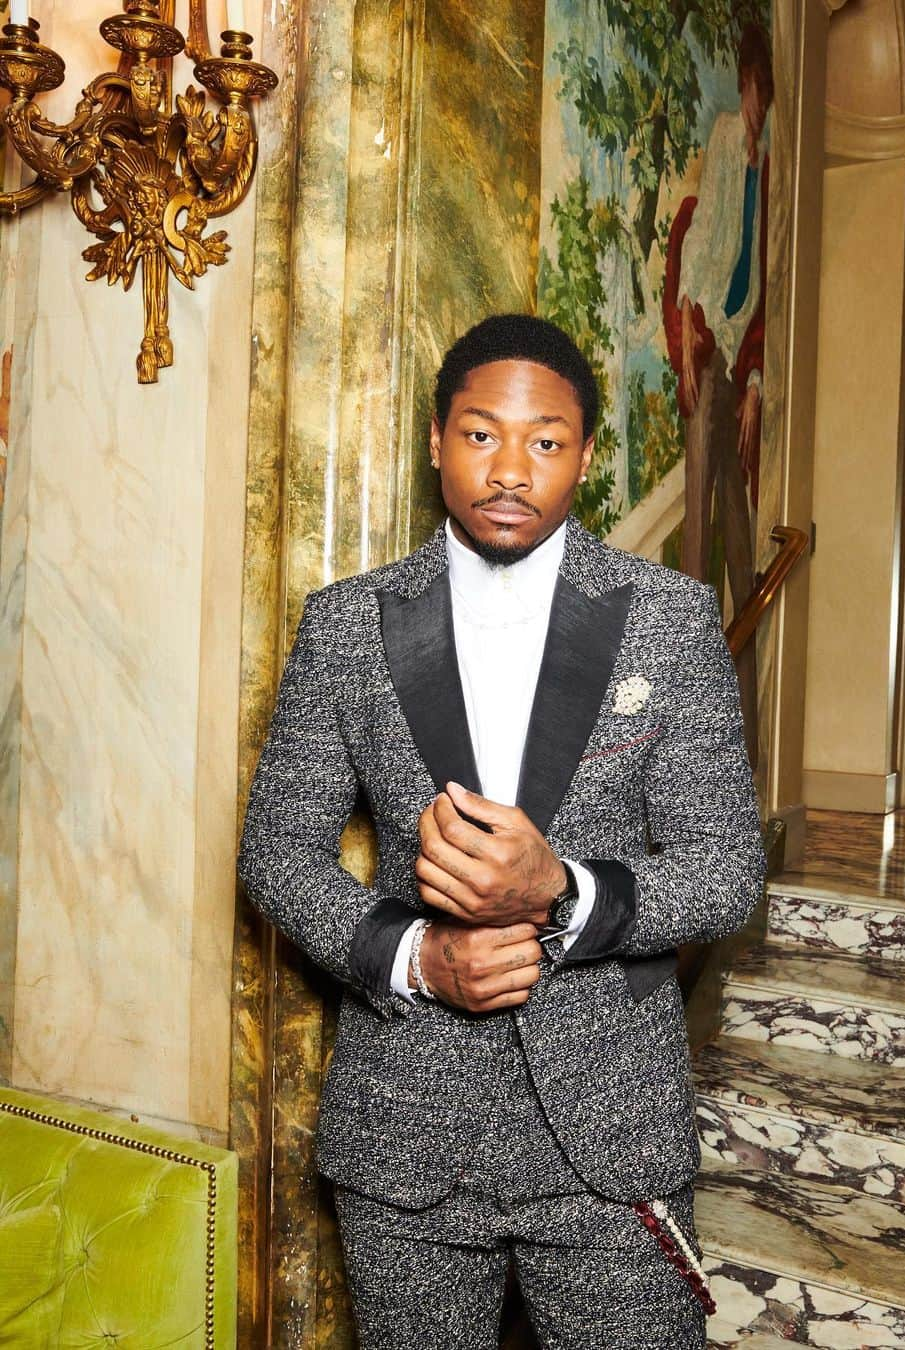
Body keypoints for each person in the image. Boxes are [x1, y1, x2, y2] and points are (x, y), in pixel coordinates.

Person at [239, 313, 764, 1349]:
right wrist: (422, 958)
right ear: (437, 440)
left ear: (585, 455)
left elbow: (726, 871)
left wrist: (560, 893)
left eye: (547, 440)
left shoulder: (671, 617)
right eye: (482, 434)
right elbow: (276, 854)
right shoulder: (349, 622)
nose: (512, 469)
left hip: (609, 1135)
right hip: (405, 1132)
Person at [662, 21, 774, 768]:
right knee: (700, 548)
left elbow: (759, 276)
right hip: (708, 344)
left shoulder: (766, 161)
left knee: (743, 551)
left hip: (734, 355)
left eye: (764, 95)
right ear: (746, 86)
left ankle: (743, 751)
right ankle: (691, 746)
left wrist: (755, 377)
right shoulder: (730, 133)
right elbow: (699, 241)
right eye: (755, 91)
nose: (759, 107)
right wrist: (695, 336)